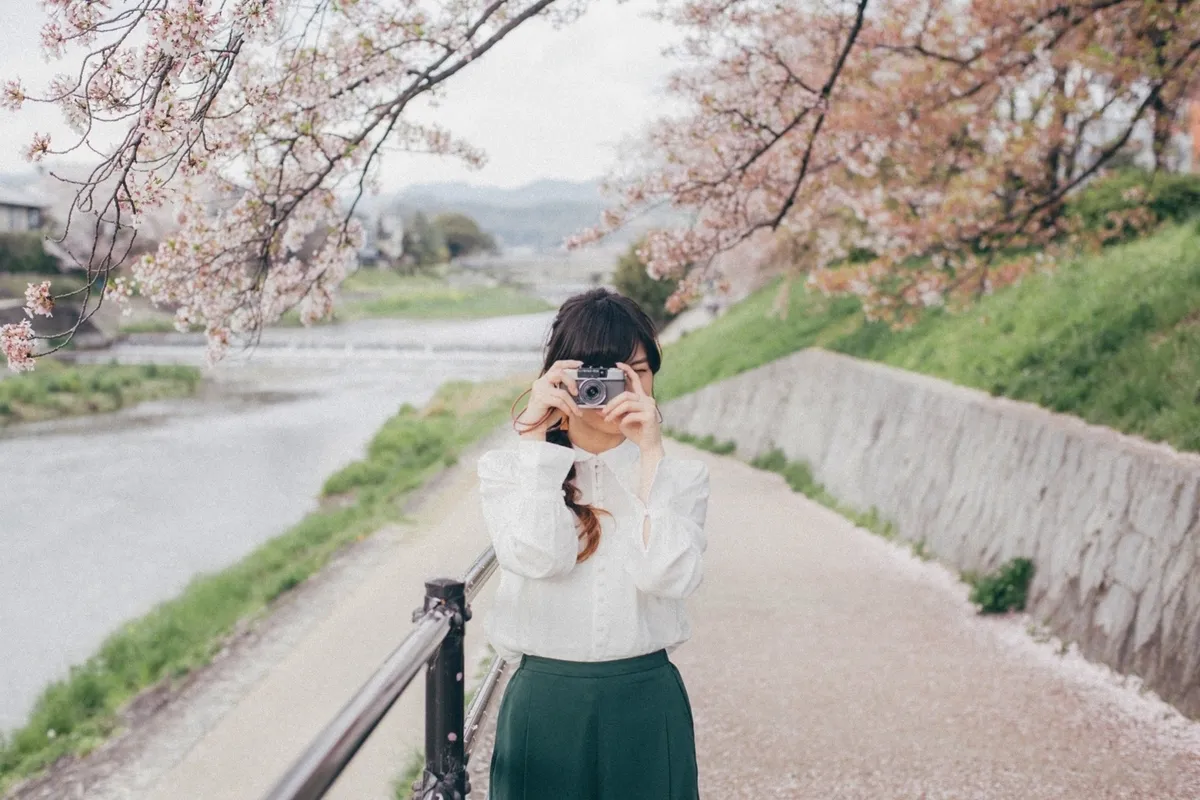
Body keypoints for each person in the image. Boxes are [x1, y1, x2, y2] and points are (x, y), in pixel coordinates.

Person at [477, 287, 711, 800]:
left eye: (637, 372)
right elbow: (537, 558)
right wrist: (536, 442)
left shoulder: (680, 478)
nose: (619, 390)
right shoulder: (510, 471)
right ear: (559, 378)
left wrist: (652, 457)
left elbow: (668, 576)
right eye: (599, 375)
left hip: (647, 700)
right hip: (545, 700)